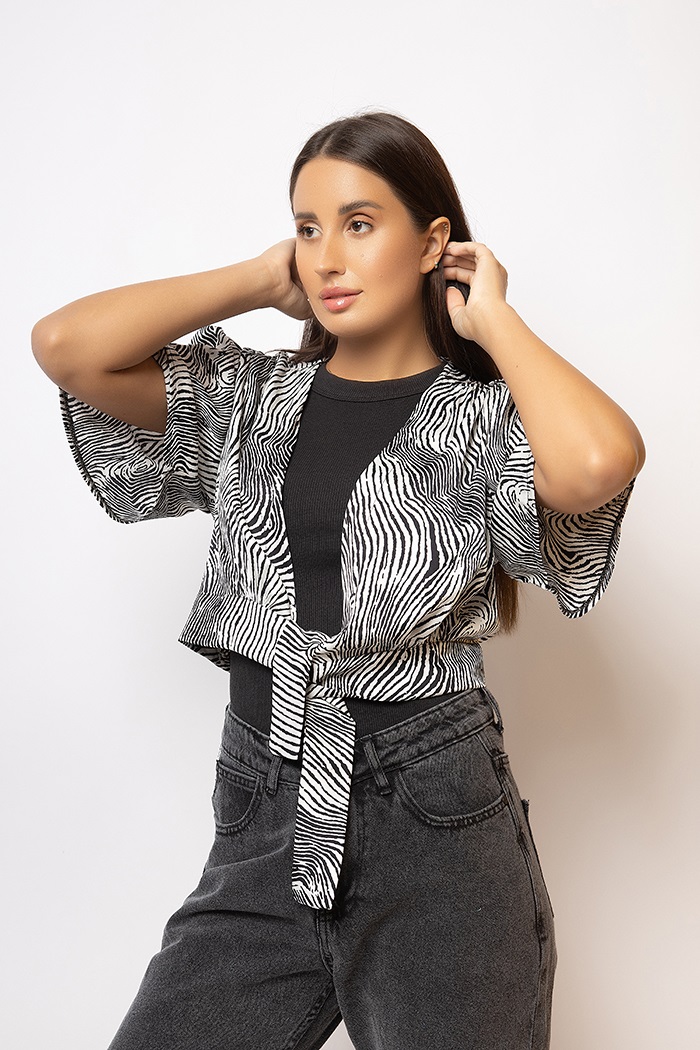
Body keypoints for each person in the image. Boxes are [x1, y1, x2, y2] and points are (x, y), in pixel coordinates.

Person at [31, 110, 645, 1050]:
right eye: (308, 227)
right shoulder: (251, 398)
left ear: (433, 243)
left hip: (435, 827)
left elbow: (599, 462)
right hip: (264, 805)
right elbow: (66, 345)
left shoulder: (483, 420)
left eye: (359, 224)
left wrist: (494, 318)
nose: (327, 256)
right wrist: (258, 278)